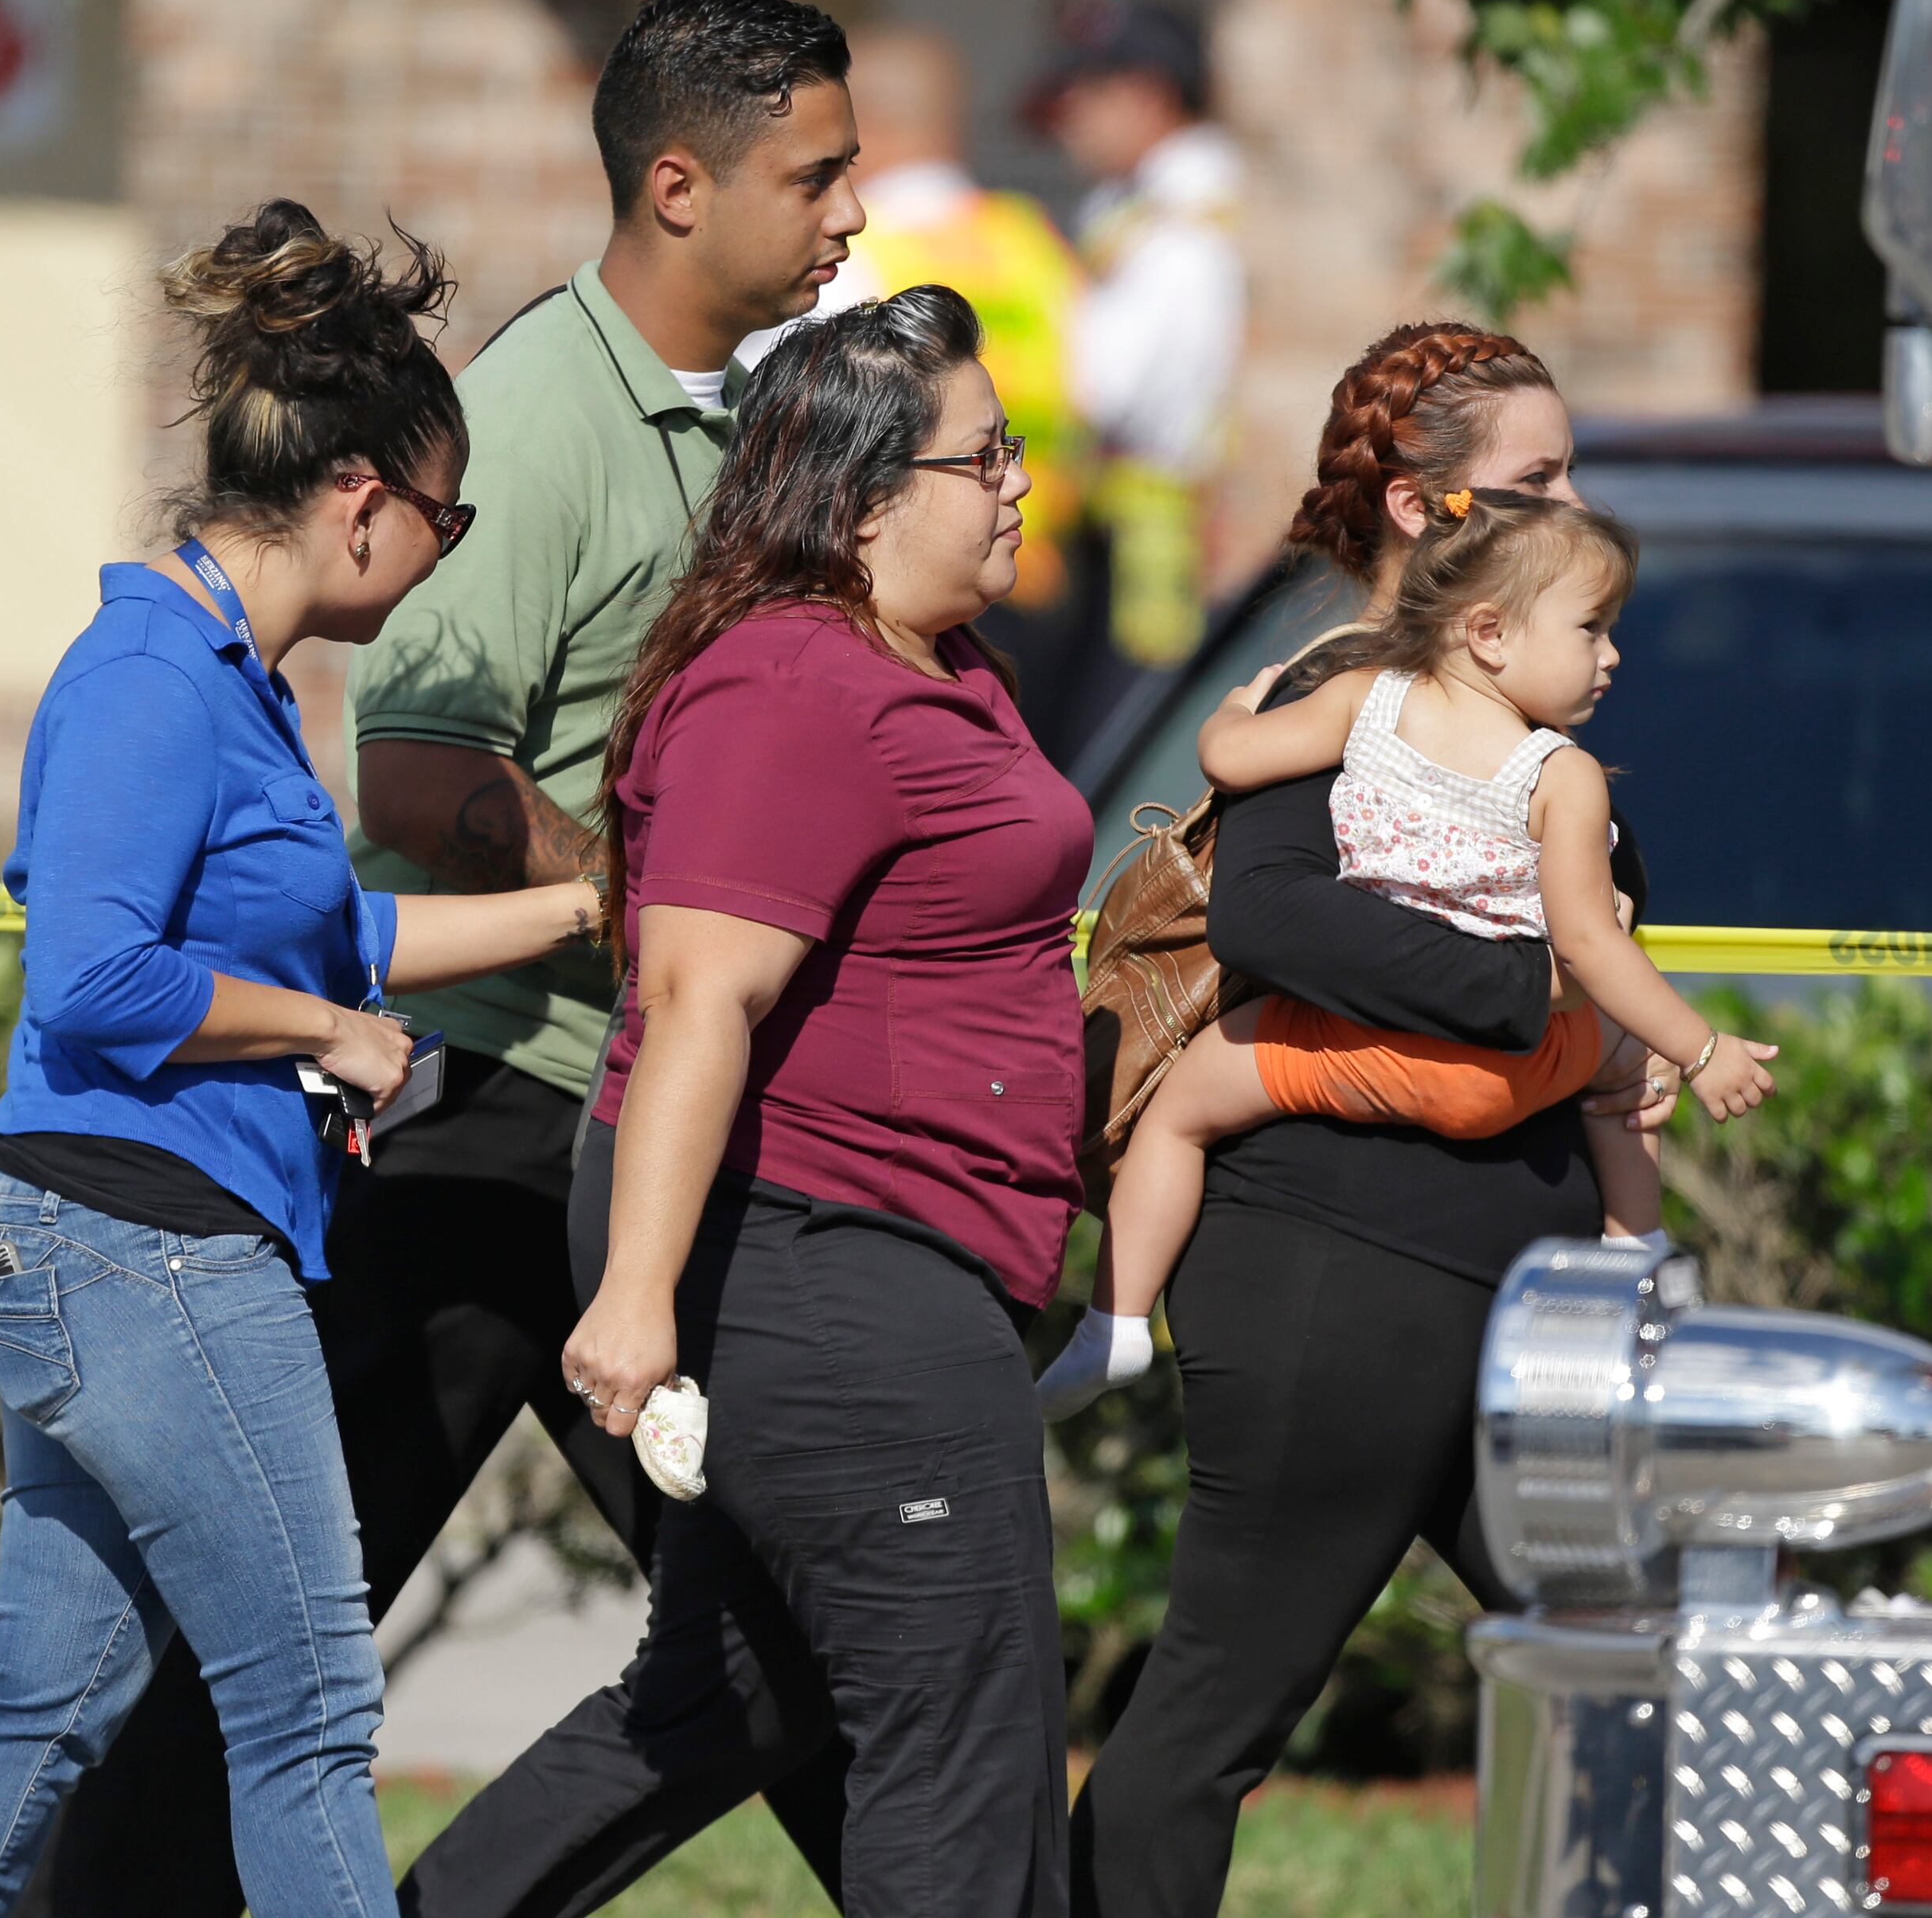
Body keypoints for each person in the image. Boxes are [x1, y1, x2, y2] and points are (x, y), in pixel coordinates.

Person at [18, 0, 865, 1916]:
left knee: (777, 1620)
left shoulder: (726, 416)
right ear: (677, 182)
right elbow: (411, 772)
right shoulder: (558, 415)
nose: (847, 218)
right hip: (494, 1115)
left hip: (606, 1104)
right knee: (309, 1621)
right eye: (813, 175)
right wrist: (643, 915)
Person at [0, 202, 611, 1918]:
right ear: (363, 500)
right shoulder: (145, 675)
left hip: (128, 1239)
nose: (446, 549)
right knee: (308, 1707)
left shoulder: (246, 684)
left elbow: (334, 934)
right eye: (449, 515)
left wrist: (585, 906)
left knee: (43, 1705)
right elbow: (100, 976)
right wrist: (325, 1033)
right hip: (136, 1241)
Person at [394, 286, 1084, 1918]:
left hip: (880, 1247)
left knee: (715, 1700)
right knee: (961, 1736)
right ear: (856, 500)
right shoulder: (789, 684)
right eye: (987, 456)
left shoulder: (927, 663)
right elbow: (701, 989)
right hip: (831, 1260)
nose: (1019, 484)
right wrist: (636, 1296)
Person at [1063, 323, 1681, 1918]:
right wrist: (1546, 987)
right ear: (1423, 510)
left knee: (1661, 1674)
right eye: (1535, 477)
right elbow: (1278, 925)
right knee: (1206, 1725)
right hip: (1341, 1275)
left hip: (1495, 1295)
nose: (1571, 501)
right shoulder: (1353, 692)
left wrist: (1611, 1025)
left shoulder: (1510, 712)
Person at [1038, 492, 1777, 1418]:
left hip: (1353, 1041)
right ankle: (1642, 1259)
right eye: (1592, 629)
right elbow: (1590, 945)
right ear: (1489, 632)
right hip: (1514, 1065)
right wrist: (1700, 1049)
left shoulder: (1358, 702)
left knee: (1182, 1110)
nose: (1613, 654)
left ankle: (1116, 1321)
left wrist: (1235, 707)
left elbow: (1229, 760)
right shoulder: (1564, 776)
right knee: (1624, 1076)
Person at [767, 24, 1094, 740]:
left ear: (867, 126)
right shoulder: (1032, 239)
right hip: (1045, 576)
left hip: (912, 600)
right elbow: (1115, 395)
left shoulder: (855, 255)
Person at [1028, 0, 1243, 684]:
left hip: (1149, 547)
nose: (1068, 118)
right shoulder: (1145, 209)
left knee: (1120, 750)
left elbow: (1101, 386)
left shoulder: (1179, 223)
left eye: (1086, 95)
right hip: (1129, 533)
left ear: (1147, 96)